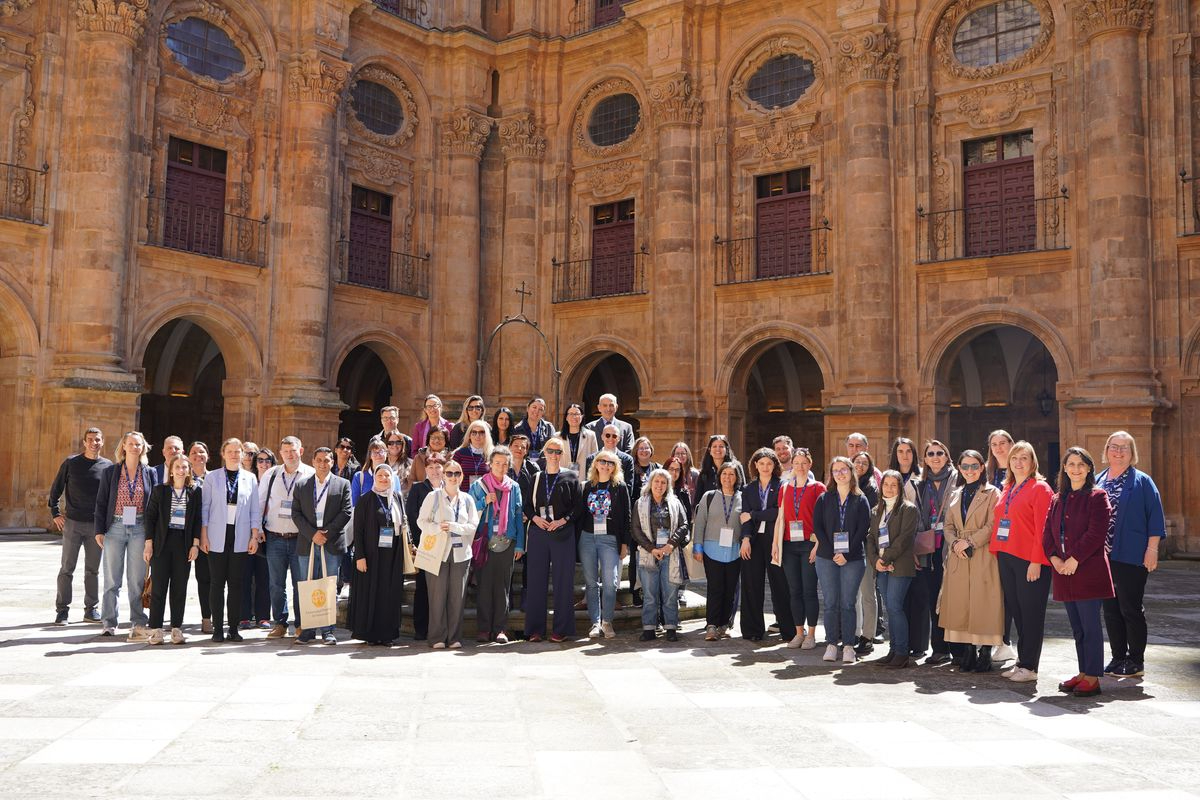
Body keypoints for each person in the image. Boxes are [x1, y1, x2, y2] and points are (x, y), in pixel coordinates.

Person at [1043, 447, 1114, 697]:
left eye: (1081, 464)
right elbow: (1048, 534)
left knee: (1091, 626)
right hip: (1062, 571)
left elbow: (1096, 533)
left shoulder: (1098, 496)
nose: (1075, 469)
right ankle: (1083, 672)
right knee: (1077, 628)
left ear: (1089, 469)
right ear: (1064, 468)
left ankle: (1093, 676)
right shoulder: (1056, 499)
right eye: (1071, 464)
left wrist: (1074, 559)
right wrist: (1054, 559)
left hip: (1087, 571)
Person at [1096, 431, 1165, 678]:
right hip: (1103, 558)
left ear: (1132, 453)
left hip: (1132, 556)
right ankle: (1117, 657)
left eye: (1125, 448)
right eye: (1114, 447)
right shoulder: (1098, 479)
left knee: (1130, 608)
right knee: (1110, 609)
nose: (1119, 451)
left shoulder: (1143, 481)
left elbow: (1155, 517)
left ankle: (1135, 660)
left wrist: (1152, 549)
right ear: (1106, 450)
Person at [990, 440, 1054, 683]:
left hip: (1030, 560)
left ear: (1032, 462)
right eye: (1015, 458)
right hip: (1007, 557)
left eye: (1023, 458)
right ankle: (1022, 662)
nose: (1018, 463)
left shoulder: (1040, 488)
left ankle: (1030, 667)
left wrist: (1037, 561)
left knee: (1031, 614)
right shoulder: (1008, 487)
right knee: (1017, 612)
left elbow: (1043, 530)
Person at [938, 450, 1003, 673]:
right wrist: (955, 542)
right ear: (959, 468)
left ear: (982, 467)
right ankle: (967, 651)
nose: (969, 471)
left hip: (982, 553)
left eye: (974, 466)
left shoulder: (993, 492)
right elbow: (947, 525)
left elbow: (993, 524)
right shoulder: (955, 494)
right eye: (965, 467)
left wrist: (970, 542)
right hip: (959, 554)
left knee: (984, 602)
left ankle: (985, 651)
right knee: (962, 604)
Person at [94, 431, 159, 639]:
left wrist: (152, 535)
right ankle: (109, 622)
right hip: (115, 526)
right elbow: (101, 502)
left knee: (137, 578)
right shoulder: (111, 472)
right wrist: (99, 530)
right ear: (123, 446)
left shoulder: (149, 473)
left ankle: (138, 622)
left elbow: (154, 506)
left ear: (143, 448)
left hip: (140, 526)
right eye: (130, 444)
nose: (134, 447)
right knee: (112, 578)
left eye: (138, 444)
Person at [252, 436, 315, 639]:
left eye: (293, 450)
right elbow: (259, 503)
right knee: (276, 583)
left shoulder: (310, 474)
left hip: (301, 538)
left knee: (300, 582)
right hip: (275, 537)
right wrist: (257, 530)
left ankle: (301, 624)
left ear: (301, 451)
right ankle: (280, 622)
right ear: (280, 453)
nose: (289, 454)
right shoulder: (271, 474)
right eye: (286, 451)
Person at [812, 456, 871, 664]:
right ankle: (830, 644)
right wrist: (831, 552)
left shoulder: (860, 499)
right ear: (831, 474)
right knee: (830, 603)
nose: (840, 473)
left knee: (847, 602)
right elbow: (817, 527)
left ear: (851, 472)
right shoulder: (824, 498)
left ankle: (848, 646)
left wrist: (846, 554)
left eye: (844, 469)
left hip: (853, 558)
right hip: (826, 558)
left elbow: (863, 529)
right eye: (835, 470)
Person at [49, 426, 111, 625]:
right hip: (73, 524)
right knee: (67, 568)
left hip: (96, 527)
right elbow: (56, 488)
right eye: (90, 439)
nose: (94, 443)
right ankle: (62, 611)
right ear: (84, 442)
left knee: (92, 570)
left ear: (103, 442)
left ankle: (91, 609)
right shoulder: (71, 463)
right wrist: (55, 513)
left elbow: (111, 497)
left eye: (98, 439)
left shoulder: (108, 466)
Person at [416, 456, 479, 649]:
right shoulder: (433, 497)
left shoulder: (467, 499)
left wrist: (455, 527)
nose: (453, 476)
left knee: (457, 597)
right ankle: (436, 637)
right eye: (449, 473)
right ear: (443, 475)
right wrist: (438, 528)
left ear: (461, 477)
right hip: (437, 552)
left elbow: (473, 525)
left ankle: (454, 637)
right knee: (437, 596)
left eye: (457, 473)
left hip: (461, 554)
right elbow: (421, 521)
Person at [523, 436, 582, 642]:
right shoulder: (536, 477)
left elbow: (578, 507)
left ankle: (561, 629)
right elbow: (527, 506)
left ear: (562, 454)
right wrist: (535, 518)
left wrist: (563, 520)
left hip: (562, 533)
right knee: (536, 581)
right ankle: (535, 630)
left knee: (563, 582)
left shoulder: (571, 477)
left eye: (558, 452)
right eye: (551, 451)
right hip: (539, 532)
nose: (554, 455)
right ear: (544, 453)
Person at [200, 438, 258, 643]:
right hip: (216, 534)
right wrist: (204, 535)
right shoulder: (212, 477)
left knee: (236, 584)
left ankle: (233, 628)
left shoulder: (250, 478)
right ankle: (217, 629)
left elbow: (254, 509)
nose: (234, 454)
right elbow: (204, 508)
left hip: (240, 535)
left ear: (243, 454)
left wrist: (254, 535)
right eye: (230, 451)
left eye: (238, 451)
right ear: (223, 454)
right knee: (216, 584)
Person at [294, 446, 353, 645]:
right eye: (319, 460)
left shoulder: (342, 484)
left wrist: (326, 533)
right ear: (313, 461)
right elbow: (296, 513)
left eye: (327, 460)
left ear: (332, 462)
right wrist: (313, 534)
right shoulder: (302, 485)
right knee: (308, 584)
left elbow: (346, 512)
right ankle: (308, 630)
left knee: (328, 586)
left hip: (331, 542)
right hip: (308, 542)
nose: (322, 464)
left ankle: (328, 631)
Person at [142, 454, 201, 644]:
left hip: (183, 544)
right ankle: (156, 629)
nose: (181, 470)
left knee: (179, 588)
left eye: (185, 467)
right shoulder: (161, 491)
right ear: (171, 469)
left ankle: (176, 628)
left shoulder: (194, 492)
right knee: (158, 587)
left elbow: (198, 519)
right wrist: (149, 544)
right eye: (178, 467)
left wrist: (195, 544)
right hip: (162, 543)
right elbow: (150, 518)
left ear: (189, 470)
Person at [349, 464, 411, 645]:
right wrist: (359, 556)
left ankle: (387, 634)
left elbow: (403, 524)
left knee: (389, 594)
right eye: (380, 475)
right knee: (372, 593)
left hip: (393, 555)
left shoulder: (397, 498)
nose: (384, 478)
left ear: (393, 478)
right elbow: (358, 531)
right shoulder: (365, 499)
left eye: (387, 475)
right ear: (374, 478)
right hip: (371, 556)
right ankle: (371, 634)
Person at [469, 446, 526, 643]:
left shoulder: (514, 487)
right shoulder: (479, 486)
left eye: (505, 464)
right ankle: (484, 629)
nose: (501, 467)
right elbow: (468, 513)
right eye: (497, 463)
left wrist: (520, 544)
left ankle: (500, 629)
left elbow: (518, 516)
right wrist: (483, 502)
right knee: (484, 587)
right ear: (490, 464)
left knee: (503, 588)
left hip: (507, 542)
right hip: (484, 542)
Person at [573, 450, 630, 639]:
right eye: (602, 461)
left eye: (610, 462)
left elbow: (626, 518)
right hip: (587, 538)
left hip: (609, 540)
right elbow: (579, 515)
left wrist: (624, 544)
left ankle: (607, 622)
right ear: (596, 464)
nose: (606, 465)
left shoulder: (620, 487)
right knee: (590, 583)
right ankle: (595, 623)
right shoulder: (586, 487)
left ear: (615, 467)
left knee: (610, 582)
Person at [738, 448, 793, 643]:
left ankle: (789, 630)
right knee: (751, 585)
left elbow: (777, 513)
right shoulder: (748, 489)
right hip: (753, 540)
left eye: (769, 463)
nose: (765, 467)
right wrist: (745, 539)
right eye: (761, 463)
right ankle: (752, 630)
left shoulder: (782, 486)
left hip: (775, 541)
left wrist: (754, 514)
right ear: (755, 465)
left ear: (775, 465)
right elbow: (744, 516)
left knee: (780, 585)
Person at [911, 439, 958, 665]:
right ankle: (939, 648)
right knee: (933, 598)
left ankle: (958, 647)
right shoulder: (920, 485)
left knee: (954, 597)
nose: (935, 457)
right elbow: (916, 517)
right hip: (929, 548)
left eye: (940, 453)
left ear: (947, 457)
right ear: (925, 460)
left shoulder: (957, 480)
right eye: (930, 454)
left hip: (953, 545)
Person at [773, 446, 825, 649]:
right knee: (794, 591)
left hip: (809, 544)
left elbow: (823, 521)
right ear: (792, 465)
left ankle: (811, 634)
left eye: (804, 463)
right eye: (797, 463)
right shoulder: (785, 488)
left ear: (810, 464)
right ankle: (798, 632)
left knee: (809, 590)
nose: (800, 467)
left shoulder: (818, 488)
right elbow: (780, 518)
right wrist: (775, 545)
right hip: (788, 544)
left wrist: (818, 545)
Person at [866, 470, 919, 668]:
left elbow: (903, 540)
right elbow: (870, 537)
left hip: (899, 565)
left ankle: (902, 652)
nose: (889, 488)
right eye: (886, 484)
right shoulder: (876, 509)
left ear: (899, 487)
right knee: (890, 608)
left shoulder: (908, 509)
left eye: (893, 485)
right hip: (881, 566)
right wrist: (876, 561)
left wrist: (886, 557)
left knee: (896, 607)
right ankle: (894, 650)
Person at [631, 467, 690, 642]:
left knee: (670, 593)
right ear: (651, 483)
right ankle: (649, 628)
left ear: (667, 485)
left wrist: (670, 545)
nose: (659, 485)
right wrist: (652, 548)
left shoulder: (675, 502)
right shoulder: (640, 503)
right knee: (649, 594)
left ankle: (671, 627)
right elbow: (635, 529)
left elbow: (684, 524)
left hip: (670, 554)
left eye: (663, 482)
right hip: (649, 553)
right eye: (656, 481)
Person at [693, 461, 744, 640]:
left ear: (737, 477)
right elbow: (700, 523)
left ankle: (725, 624)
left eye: (731, 474)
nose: (727, 477)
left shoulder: (742, 498)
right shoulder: (709, 496)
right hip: (711, 549)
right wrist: (697, 547)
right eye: (724, 474)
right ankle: (712, 625)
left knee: (731, 589)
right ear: (719, 476)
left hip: (735, 551)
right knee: (715, 588)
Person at [984, 429, 1018, 662]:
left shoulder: (1020, 470)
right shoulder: (987, 473)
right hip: (988, 539)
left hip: (1013, 542)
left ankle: (1006, 641)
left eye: (1003, 443)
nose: (999, 448)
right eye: (994, 444)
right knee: (992, 593)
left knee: (1010, 595)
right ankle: (997, 640)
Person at [406, 451, 448, 640]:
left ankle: (441, 627)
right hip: (426, 545)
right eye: (430, 467)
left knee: (443, 588)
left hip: (446, 546)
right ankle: (421, 628)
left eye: (438, 466)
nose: (434, 471)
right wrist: (416, 543)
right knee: (423, 587)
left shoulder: (451, 487)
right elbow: (412, 516)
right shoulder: (417, 489)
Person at [240, 448, 274, 630]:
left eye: (268, 460)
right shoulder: (247, 480)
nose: (263, 463)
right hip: (247, 533)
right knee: (244, 576)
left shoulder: (276, 480)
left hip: (269, 534)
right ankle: (243, 616)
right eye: (260, 460)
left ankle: (263, 616)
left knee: (264, 577)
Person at [851, 449, 880, 654]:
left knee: (867, 593)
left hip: (865, 545)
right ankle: (853, 631)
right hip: (846, 546)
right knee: (852, 595)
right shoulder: (845, 487)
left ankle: (868, 635)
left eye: (864, 463)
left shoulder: (872, 489)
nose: (860, 465)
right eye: (857, 462)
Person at [627, 436, 660, 606]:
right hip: (637, 520)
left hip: (654, 520)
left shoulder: (657, 468)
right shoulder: (631, 470)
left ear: (651, 450)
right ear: (636, 451)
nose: (644, 451)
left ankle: (653, 592)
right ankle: (636, 592)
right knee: (635, 558)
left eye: (647, 448)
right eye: (640, 448)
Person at [187, 441, 214, 633]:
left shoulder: (215, 478)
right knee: (178, 578)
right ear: (188, 456)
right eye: (194, 452)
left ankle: (208, 617)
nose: (198, 455)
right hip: (184, 535)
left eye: (202, 451)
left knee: (206, 578)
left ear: (208, 455)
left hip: (208, 535)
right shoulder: (181, 476)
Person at [694, 435, 745, 507]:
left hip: (732, 510)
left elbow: (743, 491)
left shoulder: (736, 467)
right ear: (709, 450)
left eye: (721, 446)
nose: (718, 449)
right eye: (714, 446)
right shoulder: (705, 472)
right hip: (710, 514)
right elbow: (698, 499)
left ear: (726, 449)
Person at [513, 397, 556, 463]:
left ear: (543, 412)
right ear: (528, 408)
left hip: (543, 468)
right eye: (534, 407)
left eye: (540, 409)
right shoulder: (517, 429)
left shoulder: (549, 428)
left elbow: (553, 448)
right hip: (524, 467)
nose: (537, 411)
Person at [560, 402, 598, 475]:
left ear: (582, 416)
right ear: (566, 418)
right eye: (571, 414)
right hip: (563, 478)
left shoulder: (591, 436)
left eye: (577, 414)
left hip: (584, 477)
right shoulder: (557, 437)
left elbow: (595, 459)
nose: (574, 417)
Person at [453, 420, 493, 488]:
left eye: (482, 432)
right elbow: (452, 477)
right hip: (464, 495)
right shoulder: (459, 454)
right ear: (469, 435)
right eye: (474, 432)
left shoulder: (493, 454)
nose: (477, 435)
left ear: (487, 435)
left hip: (486, 496)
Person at [887, 437, 922, 505]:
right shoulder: (887, 476)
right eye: (900, 451)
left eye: (908, 451)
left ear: (913, 454)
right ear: (895, 454)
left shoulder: (923, 475)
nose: (905, 455)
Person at [669, 442, 700, 506]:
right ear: (673, 455)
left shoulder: (695, 474)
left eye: (683, 453)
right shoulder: (668, 473)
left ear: (687, 455)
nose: (680, 456)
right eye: (677, 454)